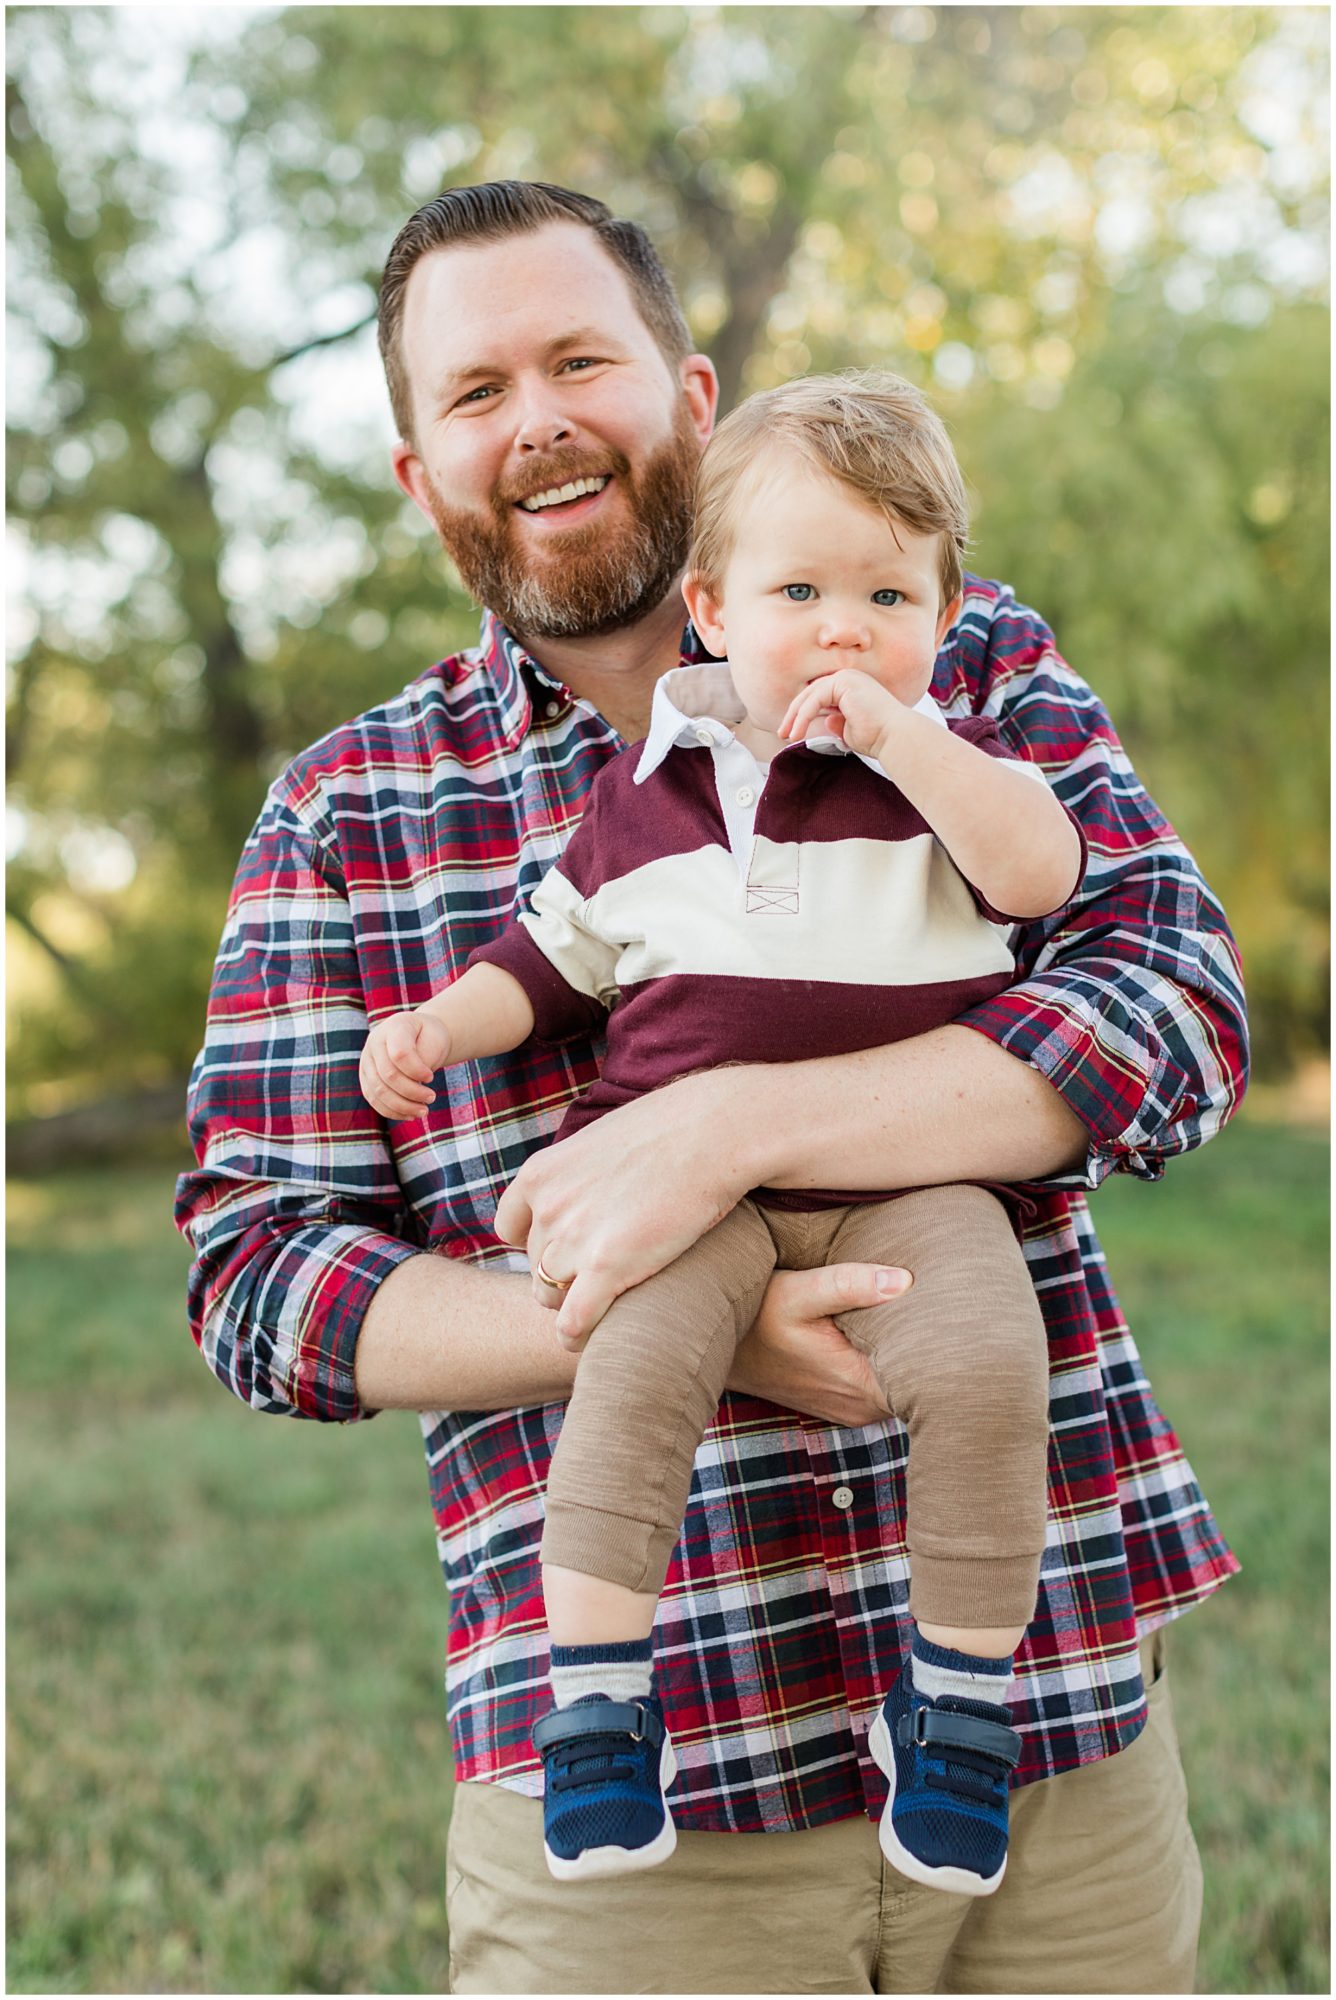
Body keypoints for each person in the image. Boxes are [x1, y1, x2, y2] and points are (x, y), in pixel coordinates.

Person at [176, 180, 1246, 1995]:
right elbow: (259, 1281)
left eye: (580, 358)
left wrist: (735, 1127)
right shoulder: (347, 812)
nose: (538, 420)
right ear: (418, 472)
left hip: (1049, 1726)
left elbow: (1177, 1006)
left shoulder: (953, 663)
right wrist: (660, 1314)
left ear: (687, 392)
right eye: (475, 391)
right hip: (645, 1819)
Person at [359, 369, 1087, 1896]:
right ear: (711, 608)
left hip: (915, 1183)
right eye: (802, 590)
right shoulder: (649, 794)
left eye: (890, 594)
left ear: (944, 618)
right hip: (688, 1200)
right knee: (628, 1369)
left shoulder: (944, 769)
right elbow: (550, 961)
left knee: (982, 1364)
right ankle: (602, 1706)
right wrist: (440, 1028)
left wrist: (913, 743)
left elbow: (1038, 877)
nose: (843, 626)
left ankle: (956, 1709)